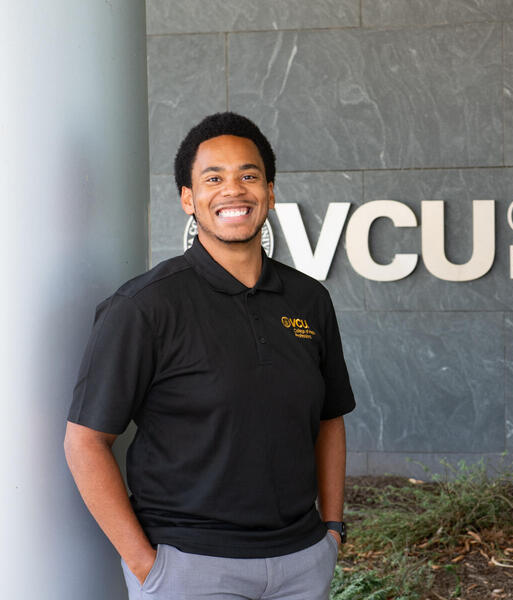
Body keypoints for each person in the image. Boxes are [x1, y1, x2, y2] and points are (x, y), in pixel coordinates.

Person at [64, 112, 355, 600]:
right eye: (213, 178)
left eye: (249, 176)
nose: (233, 190)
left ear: (270, 192)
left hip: (302, 563)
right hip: (189, 567)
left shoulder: (309, 300)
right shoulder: (144, 307)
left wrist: (331, 530)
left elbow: (330, 419)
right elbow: (85, 442)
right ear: (188, 198)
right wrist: (146, 565)